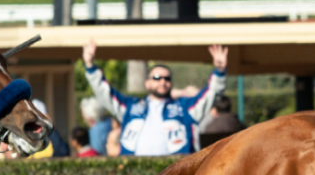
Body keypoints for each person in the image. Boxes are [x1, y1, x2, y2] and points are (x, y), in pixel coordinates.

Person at [81, 41, 229, 156]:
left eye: (167, 78)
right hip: (136, 172)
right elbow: (105, 94)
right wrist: (90, 66)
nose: (162, 82)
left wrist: (220, 71)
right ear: (147, 83)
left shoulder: (184, 107)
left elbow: (210, 94)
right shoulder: (131, 107)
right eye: (157, 78)